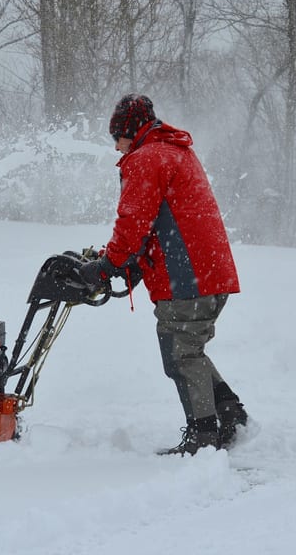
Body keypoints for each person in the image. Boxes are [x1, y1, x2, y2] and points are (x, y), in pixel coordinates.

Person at [79, 94, 248, 456]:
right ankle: (230, 414)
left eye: (117, 138)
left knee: (180, 354)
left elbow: (134, 222)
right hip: (209, 271)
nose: (116, 147)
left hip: (187, 277)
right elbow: (161, 221)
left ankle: (203, 436)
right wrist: (125, 262)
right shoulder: (176, 151)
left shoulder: (146, 158)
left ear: (129, 132)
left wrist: (108, 266)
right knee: (189, 349)